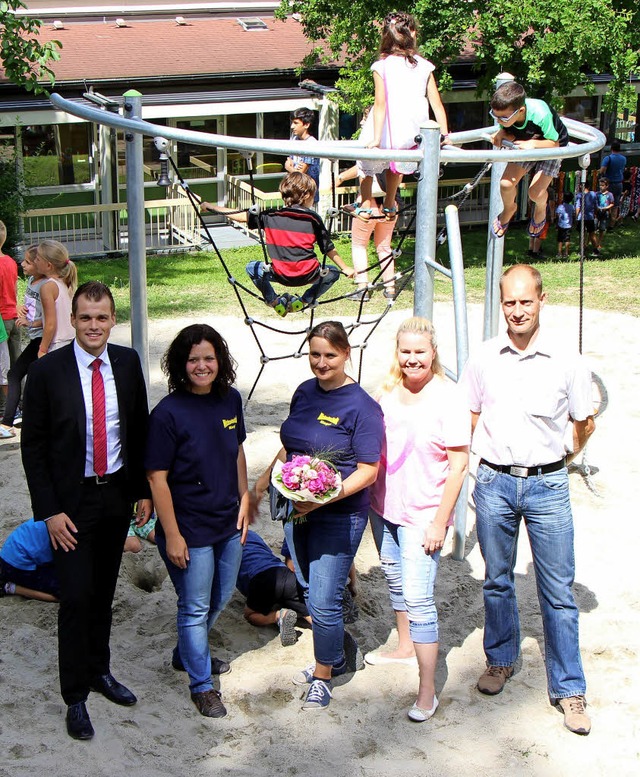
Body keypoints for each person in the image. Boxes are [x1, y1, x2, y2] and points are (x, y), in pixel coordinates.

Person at [461, 264, 595, 736]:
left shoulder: (567, 360)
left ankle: (569, 687)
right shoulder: (483, 358)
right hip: (494, 483)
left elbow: (584, 421)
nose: (517, 311)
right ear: (501, 305)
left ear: (542, 301)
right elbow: (470, 416)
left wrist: (559, 457)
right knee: (496, 580)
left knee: (558, 593)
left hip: (548, 486)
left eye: (526, 301)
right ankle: (501, 659)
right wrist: (485, 466)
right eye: (509, 303)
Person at [20, 280, 152, 741]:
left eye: (102, 317)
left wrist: (143, 490)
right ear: (72, 320)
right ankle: (75, 695)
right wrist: (50, 511)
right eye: (85, 317)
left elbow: (138, 428)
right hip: (70, 504)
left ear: (112, 320)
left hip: (115, 495)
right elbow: (33, 447)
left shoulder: (128, 362)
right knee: (75, 596)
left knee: (101, 592)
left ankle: (100, 671)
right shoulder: (48, 371)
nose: (93, 325)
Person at [262, 320, 383, 711]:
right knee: (307, 585)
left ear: (347, 353)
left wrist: (324, 497)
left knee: (325, 596)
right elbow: (290, 449)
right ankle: (333, 652)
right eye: (315, 354)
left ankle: (323, 675)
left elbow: (368, 470)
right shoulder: (304, 393)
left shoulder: (363, 407)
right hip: (298, 510)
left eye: (330, 355)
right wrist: (263, 483)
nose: (321, 362)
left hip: (339, 514)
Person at [146, 323, 252, 719]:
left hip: (228, 521)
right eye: (194, 359)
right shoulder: (167, 413)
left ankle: (185, 654)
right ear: (181, 363)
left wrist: (245, 497)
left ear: (219, 360)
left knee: (220, 597)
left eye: (209, 358)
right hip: (188, 528)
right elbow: (156, 478)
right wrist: (171, 534)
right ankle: (202, 684)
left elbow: (237, 452)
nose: (202, 365)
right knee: (193, 606)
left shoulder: (230, 401)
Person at [367, 317, 469, 722]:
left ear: (433, 353)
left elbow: (459, 464)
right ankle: (405, 646)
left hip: (423, 513)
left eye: (419, 352)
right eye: (405, 351)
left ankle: (427, 690)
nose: (412, 359)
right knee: (394, 578)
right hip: (384, 507)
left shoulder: (448, 397)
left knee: (419, 597)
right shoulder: (388, 391)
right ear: (397, 353)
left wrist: (440, 522)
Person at [202, 172, 354, 316]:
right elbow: (327, 247)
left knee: (251, 267)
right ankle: (304, 301)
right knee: (332, 273)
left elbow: (239, 215)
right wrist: (345, 268)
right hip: (309, 274)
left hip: (280, 275)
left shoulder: (270, 216)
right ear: (307, 195)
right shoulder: (313, 218)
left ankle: (274, 301)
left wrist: (210, 207)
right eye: (314, 196)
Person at [360, 12, 449, 221]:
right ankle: (390, 202)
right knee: (397, 164)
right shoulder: (424, 65)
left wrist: (375, 137)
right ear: (413, 34)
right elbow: (436, 103)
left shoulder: (381, 66)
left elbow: (380, 104)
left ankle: (365, 203)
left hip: (388, 123)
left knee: (366, 162)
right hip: (412, 126)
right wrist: (444, 133)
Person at [489, 82, 568, 239]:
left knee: (535, 192)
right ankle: (509, 208)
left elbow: (555, 143)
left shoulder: (541, 114)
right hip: (525, 143)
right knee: (506, 184)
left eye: (503, 117)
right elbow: (510, 128)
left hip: (549, 146)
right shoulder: (508, 117)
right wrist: (502, 132)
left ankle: (540, 208)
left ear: (521, 111)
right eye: (494, 115)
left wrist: (533, 144)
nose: (498, 120)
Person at [1, 246, 47, 437]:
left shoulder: (47, 285)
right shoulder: (30, 280)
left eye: (28, 262)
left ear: (40, 264)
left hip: (41, 339)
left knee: (14, 373)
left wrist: (31, 322)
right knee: (17, 373)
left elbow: (51, 319)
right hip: (27, 331)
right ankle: (17, 417)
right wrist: (22, 310)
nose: (23, 264)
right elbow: (28, 304)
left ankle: (9, 420)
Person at [236, 529, 310, 646]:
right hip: (281, 572)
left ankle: (279, 616)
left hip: (259, 580)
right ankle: (335, 633)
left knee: (250, 615)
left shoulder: (224, 541)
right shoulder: (252, 534)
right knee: (309, 613)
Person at [350, 172, 399, 300]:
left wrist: (341, 177)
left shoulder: (368, 155)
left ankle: (362, 288)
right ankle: (390, 288)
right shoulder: (395, 156)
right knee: (384, 247)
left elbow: (360, 168)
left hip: (368, 205)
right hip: (391, 204)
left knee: (359, 245)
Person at [34, 240, 77, 355]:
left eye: (37, 259)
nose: (35, 261)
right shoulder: (64, 281)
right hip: (72, 339)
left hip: (57, 343)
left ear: (48, 265)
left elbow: (50, 323)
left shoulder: (47, 287)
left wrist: (42, 349)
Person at [0, 517, 59, 601]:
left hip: (11, 552)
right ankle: (10, 588)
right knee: (69, 592)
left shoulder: (55, 511)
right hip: (17, 565)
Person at [284, 108, 320, 204]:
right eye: (292, 123)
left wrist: (290, 168)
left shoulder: (311, 143)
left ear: (306, 125)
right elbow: (289, 160)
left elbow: (301, 173)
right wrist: (293, 168)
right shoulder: (294, 139)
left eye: (296, 123)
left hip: (307, 196)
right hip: (293, 193)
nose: (292, 126)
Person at [0, 221, 20, 378]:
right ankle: (20, 398)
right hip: (14, 316)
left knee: (2, 365)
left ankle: (4, 402)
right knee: (16, 361)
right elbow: (14, 289)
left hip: (1, 320)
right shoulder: (11, 262)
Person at [598, 140, 626, 226]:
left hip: (609, 184)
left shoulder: (608, 158)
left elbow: (602, 170)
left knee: (605, 202)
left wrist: (598, 172)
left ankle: (603, 223)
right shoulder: (623, 159)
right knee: (615, 204)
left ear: (611, 148)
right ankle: (612, 224)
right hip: (619, 184)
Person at [575, 181, 600, 256]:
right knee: (592, 234)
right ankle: (596, 250)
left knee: (582, 234)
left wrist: (576, 217)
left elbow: (578, 207)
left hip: (581, 217)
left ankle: (582, 251)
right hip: (590, 217)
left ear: (580, 186)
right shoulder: (593, 194)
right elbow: (596, 206)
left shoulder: (579, 195)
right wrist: (595, 213)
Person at [595, 177, 614, 250]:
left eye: (603, 185)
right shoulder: (597, 194)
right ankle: (593, 242)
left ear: (607, 186)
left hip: (605, 213)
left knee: (602, 229)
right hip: (597, 213)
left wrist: (606, 208)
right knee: (594, 228)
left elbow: (612, 203)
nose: (601, 187)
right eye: (600, 185)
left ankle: (599, 243)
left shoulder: (610, 195)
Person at [555, 191, 575, 258]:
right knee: (567, 239)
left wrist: (556, 224)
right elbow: (573, 214)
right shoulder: (572, 207)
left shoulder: (560, 206)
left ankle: (559, 252)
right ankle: (566, 253)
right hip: (568, 225)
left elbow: (557, 215)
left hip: (561, 225)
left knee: (560, 240)